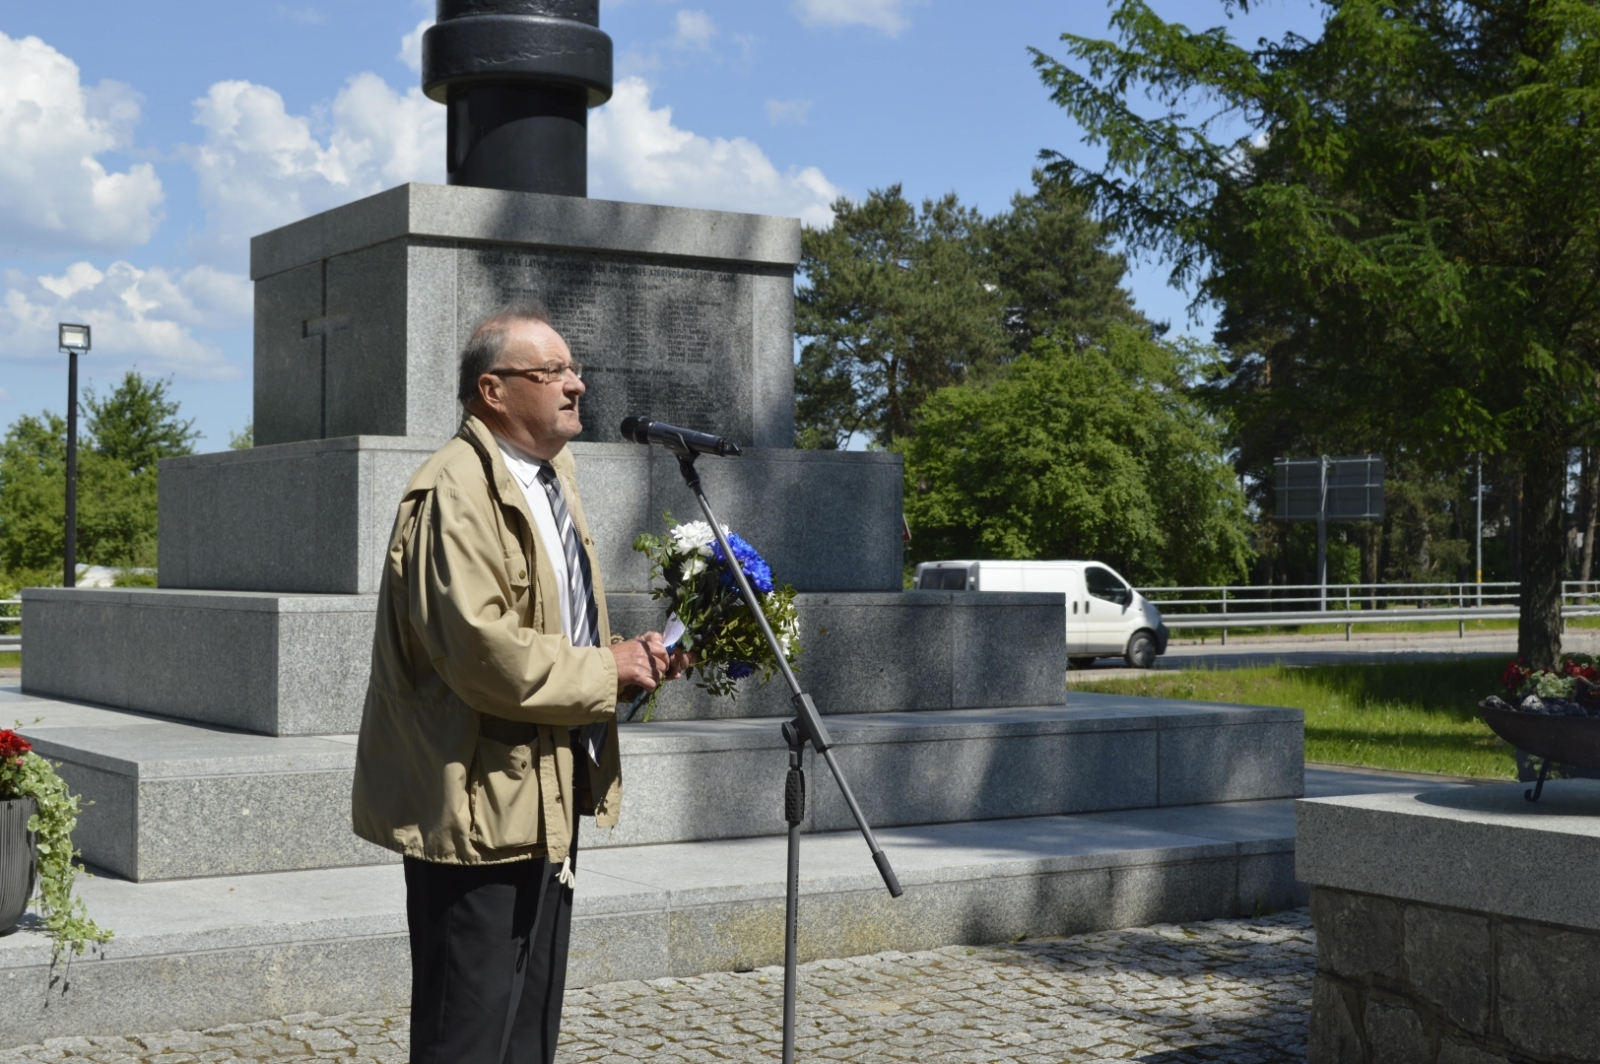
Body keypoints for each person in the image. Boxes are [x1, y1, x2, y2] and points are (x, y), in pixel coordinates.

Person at [351, 301, 678, 1064]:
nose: (577, 386)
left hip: (543, 797)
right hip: (476, 810)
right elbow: (482, 652)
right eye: (553, 371)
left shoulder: (548, 478)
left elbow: (551, 624)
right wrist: (606, 667)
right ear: (493, 390)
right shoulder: (453, 493)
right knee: (466, 1036)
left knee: (527, 1033)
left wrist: (633, 660)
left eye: (574, 370)